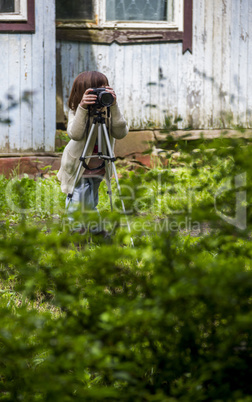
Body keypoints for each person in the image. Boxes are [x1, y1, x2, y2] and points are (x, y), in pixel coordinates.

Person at [57, 71, 128, 235]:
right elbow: (75, 134)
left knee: (90, 201)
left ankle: (95, 230)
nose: (100, 94)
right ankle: (75, 232)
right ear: (83, 92)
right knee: (77, 200)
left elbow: (121, 133)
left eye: (104, 88)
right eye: (95, 91)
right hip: (79, 166)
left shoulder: (108, 111)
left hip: (99, 166)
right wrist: (82, 107)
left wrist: (114, 105)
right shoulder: (76, 111)